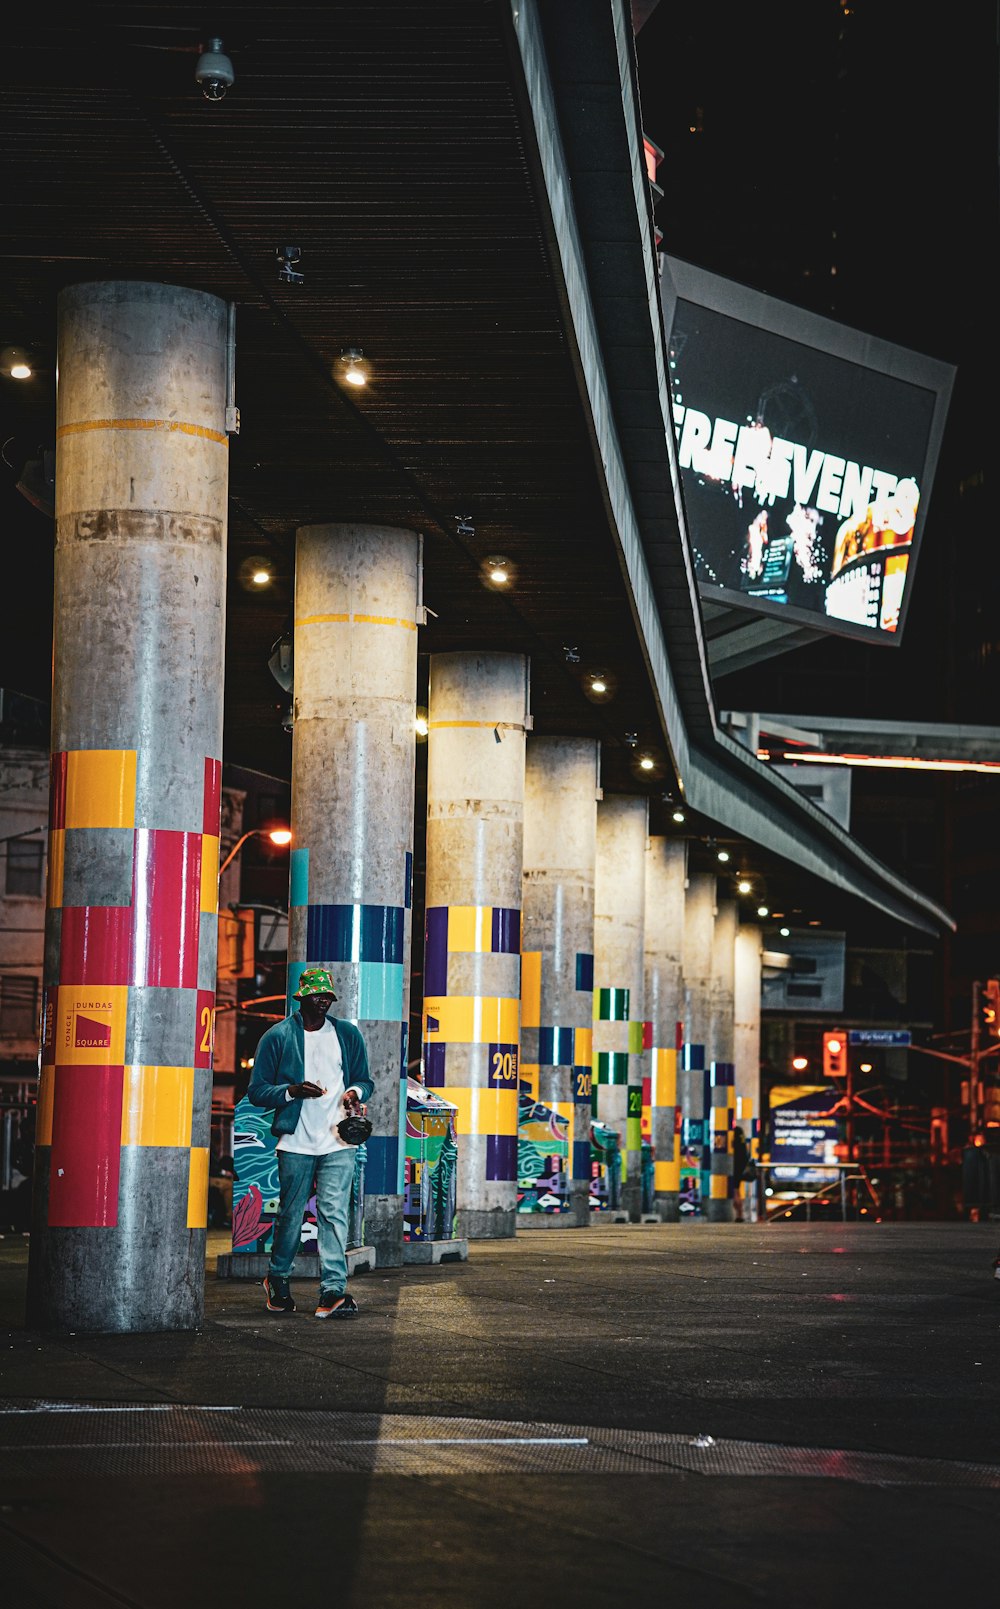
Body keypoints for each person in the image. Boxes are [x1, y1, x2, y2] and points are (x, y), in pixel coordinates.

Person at [248, 967, 374, 1319]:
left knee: (334, 1213)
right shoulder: (278, 1037)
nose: (323, 1002)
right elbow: (256, 1091)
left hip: (339, 1139)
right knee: (290, 1215)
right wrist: (291, 1091)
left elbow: (365, 1079)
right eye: (317, 996)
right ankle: (278, 1279)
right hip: (296, 1141)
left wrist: (355, 1092)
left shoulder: (347, 1035)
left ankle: (333, 1289)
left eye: (328, 997)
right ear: (301, 998)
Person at [732, 1125, 750, 1222]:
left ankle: (739, 1214)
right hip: (740, 1166)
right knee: (737, 1190)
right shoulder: (740, 1133)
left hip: (734, 1166)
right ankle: (740, 1213)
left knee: (735, 1191)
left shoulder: (733, 1132)